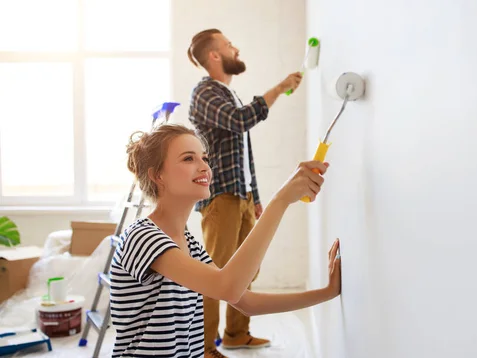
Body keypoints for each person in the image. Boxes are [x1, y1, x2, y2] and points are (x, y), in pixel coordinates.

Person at [109, 124, 341, 358]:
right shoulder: (142, 237)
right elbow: (227, 287)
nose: (204, 167)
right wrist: (280, 200)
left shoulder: (188, 244)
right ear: (157, 175)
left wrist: (328, 292)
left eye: (204, 158)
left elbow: (246, 302)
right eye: (189, 159)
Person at [186, 28, 305, 354]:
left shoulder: (226, 93)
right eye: (227, 46)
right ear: (214, 55)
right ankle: (205, 349)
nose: (234, 49)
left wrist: (255, 196)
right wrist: (279, 88)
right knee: (216, 277)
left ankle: (236, 334)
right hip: (221, 198)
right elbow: (240, 121)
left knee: (247, 270)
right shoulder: (205, 93)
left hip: (240, 196)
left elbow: (243, 151)